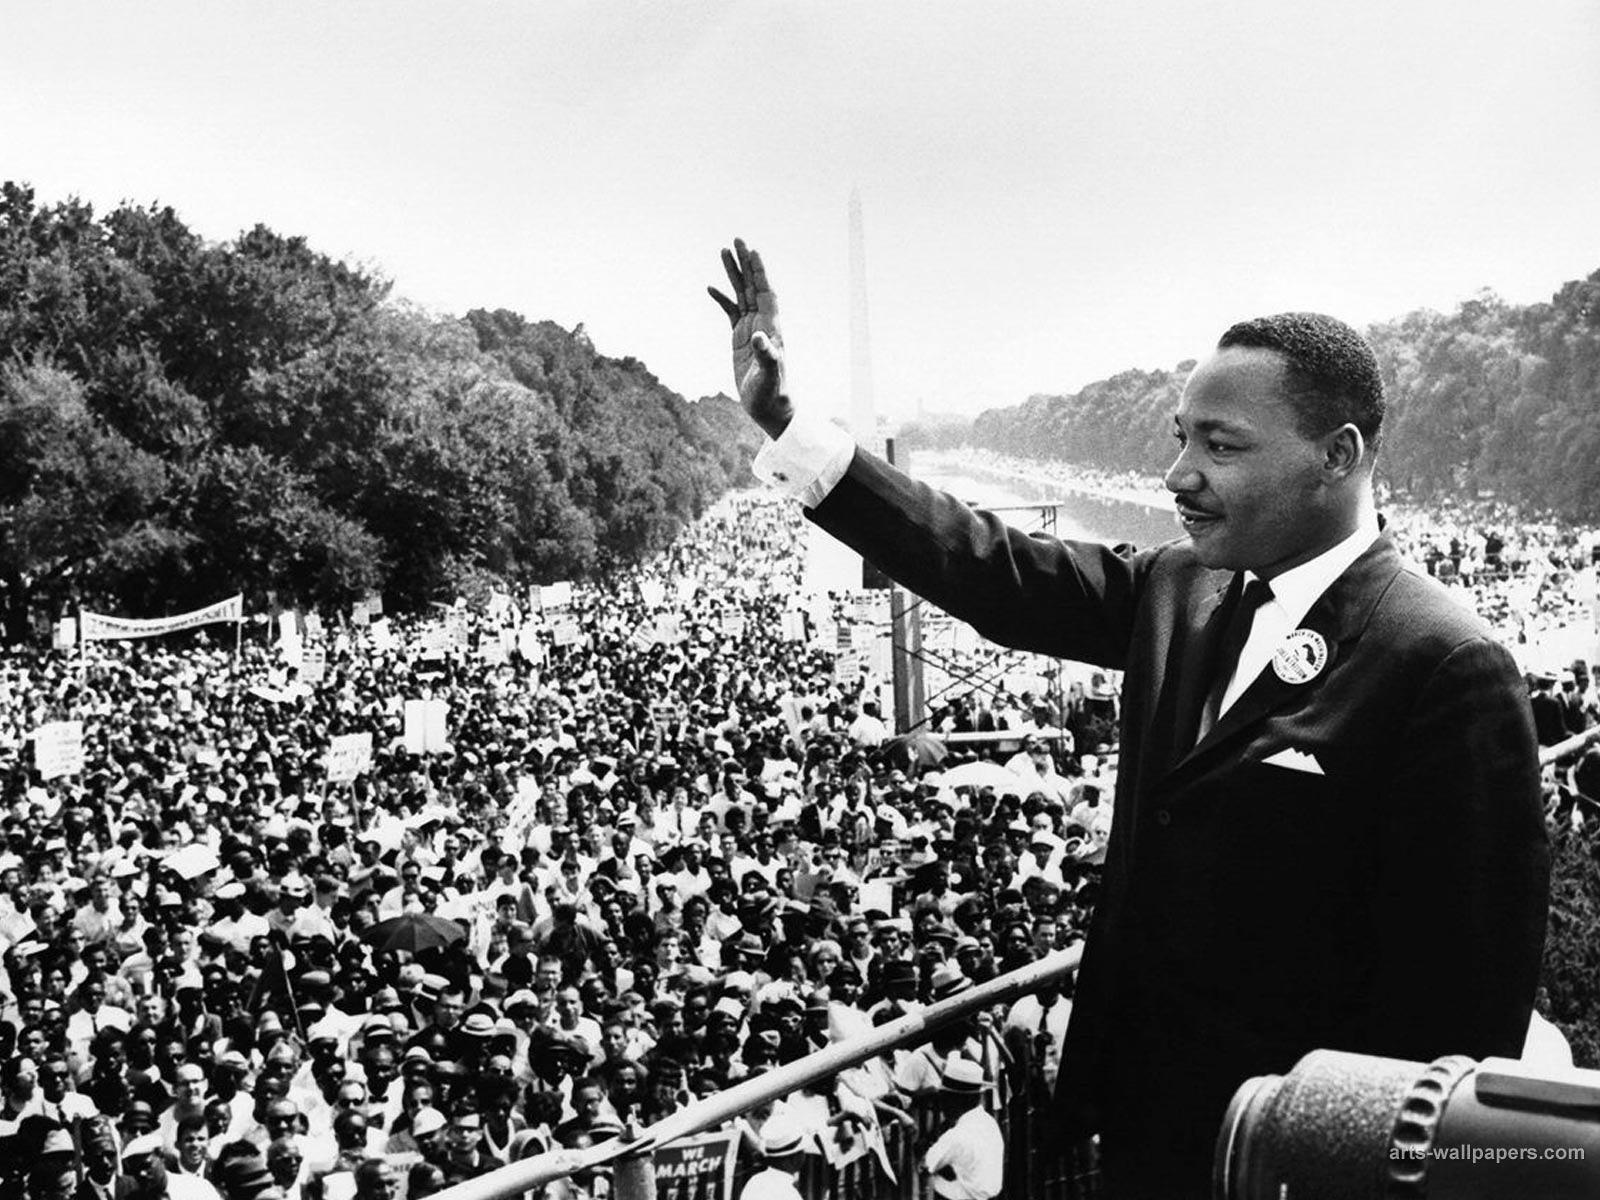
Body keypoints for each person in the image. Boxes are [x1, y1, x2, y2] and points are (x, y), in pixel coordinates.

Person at [710, 239, 1550, 1198]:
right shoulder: (1178, 586)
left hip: (1292, 1160)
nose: (1178, 474)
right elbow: (986, 565)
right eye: (1179, 437)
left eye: (1220, 445)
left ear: (1339, 456)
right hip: (1141, 1131)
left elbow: (1461, 1016)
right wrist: (785, 421)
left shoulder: (1445, 663)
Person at [921, 1056, 1003, 1200]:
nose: (942, 1105)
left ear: (956, 1099)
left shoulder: (956, 1135)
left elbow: (925, 1165)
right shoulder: (990, 1123)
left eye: (944, 1098)